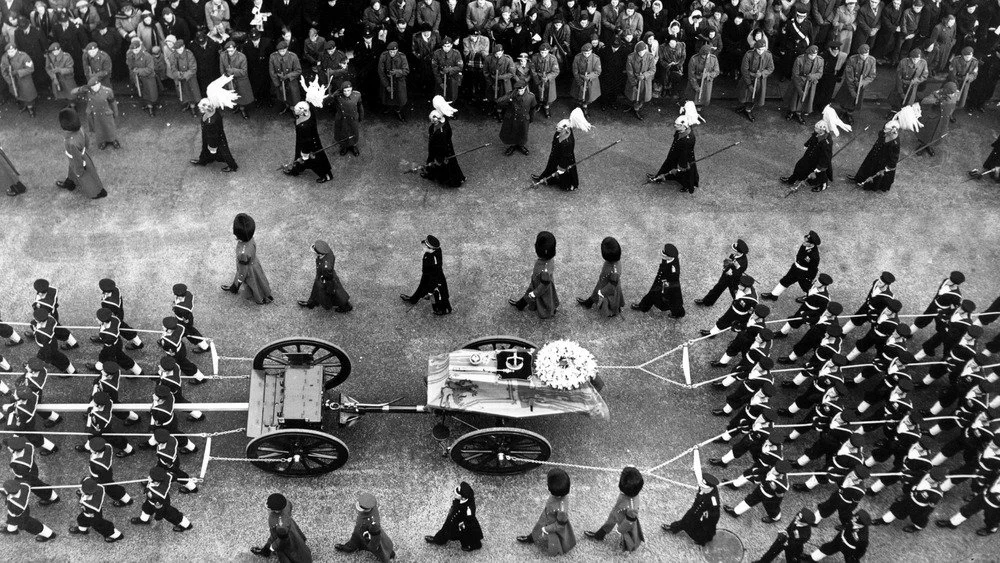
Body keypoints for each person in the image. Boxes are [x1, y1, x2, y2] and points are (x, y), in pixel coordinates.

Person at [517, 468, 576, 555]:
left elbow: (560, 525)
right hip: (546, 517)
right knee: (538, 527)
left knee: (555, 541)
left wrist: (546, 528)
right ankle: (531, 538)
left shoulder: (562, 509)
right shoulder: (559, 493)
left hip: (553, 525)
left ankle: (555, 551)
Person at [585, 467, 644, 551]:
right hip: (617, 513)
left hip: (623, 520)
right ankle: (599, 535)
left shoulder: (632, 506)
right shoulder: (630, 492)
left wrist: (620, 530)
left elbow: (629, 522)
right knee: (608, 523)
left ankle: (628, 546)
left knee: (627, 535)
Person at [647, 103, 702, 193]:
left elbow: (685, 154)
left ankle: (687, 186)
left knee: (684, 172)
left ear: (684, 126)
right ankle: (659, 177)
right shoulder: (681, 131)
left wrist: (682, 166)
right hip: (675, 152)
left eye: (677, 125)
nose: (675, 126)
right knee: (668, 164)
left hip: (684, 158)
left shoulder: (688, 139)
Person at [532, 107, 590, 191]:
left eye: (559, 129)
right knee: (551, 167)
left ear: (565, 129)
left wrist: (561, 168)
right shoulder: (563, 130)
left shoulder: (568, 142)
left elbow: (566, 156)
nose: (557, 130)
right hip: (556, 153)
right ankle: (546, 179)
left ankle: (568, 185)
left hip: (564, 158)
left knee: (564, 173)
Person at [55, 107, 107, 199]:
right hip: (83, 155)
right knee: (72, 170)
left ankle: (95, 193)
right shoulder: (80, 129)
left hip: (78, 160)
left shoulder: (71, 142)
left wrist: (79, 171)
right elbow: (86, 139)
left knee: (86, 178)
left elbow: (77, 159)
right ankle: (70, 182)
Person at [190, 76, 239, 172]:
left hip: (215, 136)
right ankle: (204, 160)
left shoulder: (211, 121)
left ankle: (232, 166)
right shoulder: (213, 113)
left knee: (223, 151)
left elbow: (212, 137)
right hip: (211, 134)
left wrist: (212, 146)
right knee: (205, 148)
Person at [222, 213, 273, 305]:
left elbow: (242, 272)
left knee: (254, 284)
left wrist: (238, 282)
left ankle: (260, 299)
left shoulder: (243, 253)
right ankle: (265, 294)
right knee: (260, 280)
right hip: (255, 265)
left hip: (248, 270)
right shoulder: (250, 239)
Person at [509, 230, 559, 319]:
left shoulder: (545, 271)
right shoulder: (548, 260)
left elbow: (543, 287)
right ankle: (520, 304)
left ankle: (549, 311)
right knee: (531, 296)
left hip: (539, 287)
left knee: (544, 301)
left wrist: (534, 294)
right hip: (536, 282)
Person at [334, 493, 395, 562]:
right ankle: (349, 547)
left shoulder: (373, 523)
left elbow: (375, 539)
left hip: (369, 536)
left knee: (381, 551)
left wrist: (372, 547)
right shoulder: (371, 507)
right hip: (360, 530)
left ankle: (388, 556)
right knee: (355, 540)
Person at [663, 473, 720, 546]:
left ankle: (702, 541)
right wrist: (700, 495)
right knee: (685, 519)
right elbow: (699, 496)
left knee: (704, 530)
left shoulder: (713, 500)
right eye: (701, 486)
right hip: (696, 509)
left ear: (711, 488)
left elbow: (715, 514)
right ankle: (674, 527)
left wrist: (707, 516)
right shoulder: (704, 488)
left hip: (705, 516)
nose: (701, 488)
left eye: (703, 488)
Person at [401, 235, 452, 315]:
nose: (423, 247)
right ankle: (413, 299)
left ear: (431, 249)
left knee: (440, 296)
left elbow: (435, 276)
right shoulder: (434, 251)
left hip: (435, 280)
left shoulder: (434, 262)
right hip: (427, 275)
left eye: (425, 246)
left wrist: (430, 290)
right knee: (421, 287)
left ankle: (445, 309)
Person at [131, 466, 193, 532]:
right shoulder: (166, 476)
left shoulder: (156, 495)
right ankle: (144, 520)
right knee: (146, 508)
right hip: (151, 501)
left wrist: (157, 518)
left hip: (161, 504)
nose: (148, 477)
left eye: (150, 477)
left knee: (173, 516)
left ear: (156, 482)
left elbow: (159, 510)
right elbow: (173, 477)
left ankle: (187, 525)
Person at [425, 482, 483, 551]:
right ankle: (439, 540)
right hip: (453, 519)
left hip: (461, 524)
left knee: (468, 535)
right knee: (445, 529)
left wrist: (462, 525)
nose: (455, 494)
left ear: (463, 498)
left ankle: (473, 546)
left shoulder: (468, 509)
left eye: (457, 494)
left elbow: (469, 520)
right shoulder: (463, 499)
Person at [285, 100, 333, 183]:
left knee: (312, 162)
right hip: (314, 140)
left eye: (296, 111)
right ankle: (297, 170)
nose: (294, 111)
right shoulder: (310, 112)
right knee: (317, 158)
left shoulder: (304, 126)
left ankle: (324, 176)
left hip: (308, 146)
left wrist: (305, 154)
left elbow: (306, 142)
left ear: (302, 112)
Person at [632, 243, 685, 317]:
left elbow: (672, 282)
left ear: (669, 257)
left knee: (672, 301)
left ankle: (678, 313)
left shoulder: (674, 269)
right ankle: (643, 306)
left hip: (667, 286)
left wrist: (663, 290)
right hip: (661, 282)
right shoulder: (669, 259)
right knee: (651, 295)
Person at [422, 96, 465, 188]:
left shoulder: (442, 132)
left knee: (442, 163)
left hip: (440, 149)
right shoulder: (442, 123)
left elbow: (442, 147)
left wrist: (440, 159)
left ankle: (449, 180)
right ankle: (430, 173)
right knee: (433, 160)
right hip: (438, 145)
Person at [298, 240, 352, 312]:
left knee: (333, 292)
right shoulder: (328, 252)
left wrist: (325, 284)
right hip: (325, 275)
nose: (313, 253)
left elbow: (328, 277)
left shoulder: (326, 267)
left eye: (314, 252)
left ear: (320, 254)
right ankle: (311, 303)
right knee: (321, 289)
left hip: (326, 279)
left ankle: (346, 307)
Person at [251, 493, 308, 558]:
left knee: (284, 546)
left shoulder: (277, 523)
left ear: (277, 511)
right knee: (298, 538)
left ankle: (267, 552)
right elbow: (289, 504)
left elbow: (279, 539)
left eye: (269, 508)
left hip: (283, 534)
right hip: (291, 526)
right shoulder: (286, 504)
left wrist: (270, 548)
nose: (267, 508)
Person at [577, 237, 623, 317]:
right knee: (596, 292)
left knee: (610, 301)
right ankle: (589, 302)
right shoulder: (613, 260)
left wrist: (602, 292)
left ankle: (613, 311)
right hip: (603, 282)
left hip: (608, 287)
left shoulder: (615, 271)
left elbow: (612, 286)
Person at [696, 239, 749, 307]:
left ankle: (740, 306)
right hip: (726, 277)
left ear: (739, 252)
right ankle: (707, 301)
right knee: (717, 289)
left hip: (733, 280)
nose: (734, 252)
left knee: (735, 294)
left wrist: (732, 272)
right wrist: (726, 268)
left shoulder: (743, 262)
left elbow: (739, 273)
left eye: (735, 251)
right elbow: (729, 262)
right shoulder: (736, 255)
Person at [850, 119, 900, 191]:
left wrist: (889, 167)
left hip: (882, 161)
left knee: (875, 173)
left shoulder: (895, 143)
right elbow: (881, 135)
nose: (884, 132)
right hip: (875, 153)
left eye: (886, 131)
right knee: (866, 166)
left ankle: (868, 184)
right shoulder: (885, 130)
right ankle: (859, 178)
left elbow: (894, 158)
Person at [69, 477, 124, 543]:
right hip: (95, 511)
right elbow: (87, 480)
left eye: (82, 489)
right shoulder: (99, 488)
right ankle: (82, 530)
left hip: (93, 515)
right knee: (81, 519)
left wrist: (81, 496)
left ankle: (117, 535)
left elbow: (83, 507)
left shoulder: (88, 504)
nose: (80, 489)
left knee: (101, 527)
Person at [72, 76, 120, 150]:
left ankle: (113, 140)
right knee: (99, 129)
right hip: (95, 114)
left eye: (95, 86)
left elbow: (113, 102)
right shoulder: (88, 91)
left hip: (106, 113)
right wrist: (80, 89)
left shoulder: (107, 91)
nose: (94, 88)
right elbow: (72, 92)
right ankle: (103, 141)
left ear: (99, 84)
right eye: (92, 87)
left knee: (110, 128)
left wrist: (115, 112)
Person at [753, 508, 817, 563]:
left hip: (792, 547)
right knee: (771, 552)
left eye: (798, 518)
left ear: (805, 523)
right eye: (797, 516)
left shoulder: (804, 533)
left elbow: (797, 543)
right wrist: (785, 531)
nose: (796, 518)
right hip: (784, 538)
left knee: (792, 559)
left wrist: (787, 542)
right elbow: (790, 526)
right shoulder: (798, 518)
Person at [834, 43, 875, 123]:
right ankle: (843, 111)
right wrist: (852, 89)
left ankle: (849, 114)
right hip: (850, 83)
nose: (864, 56)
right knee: (845, 98)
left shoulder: (872, 60)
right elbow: (849, 76)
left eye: (866, 54)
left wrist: (862, 83)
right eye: (862, 54)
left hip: (861, 86)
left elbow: (872, 75)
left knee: (855, 101)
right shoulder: (852, 59)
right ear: (859, 53)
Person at [915, 81, 958, 156]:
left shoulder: (953, 95)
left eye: (952, 93)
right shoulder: (937, 94)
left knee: (936, 134)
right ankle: (922, 145)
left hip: (943, 120)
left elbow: (952, 106)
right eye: (950, 92)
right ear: (945, 90)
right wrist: (935, 101)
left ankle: (929, 145)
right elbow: (924, 101)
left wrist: (949, 114)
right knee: (927, 133)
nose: (951, 95)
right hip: (932, 119)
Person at [737, 40, 774, 122]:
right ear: (755, 48)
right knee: (745, 94)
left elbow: (771, 68)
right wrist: (749, 84)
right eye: (759, 49)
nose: (761, 51)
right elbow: (744, 69)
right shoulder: (748, 54)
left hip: (760, 81)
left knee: (755, 96)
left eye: (763, 49)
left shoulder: (768, 55)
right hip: (748, 78)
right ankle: (745, 106)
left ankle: (748, 110)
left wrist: (762, 73)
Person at [498, 78, 537, 156]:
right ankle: (512, 145)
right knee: (512, 132)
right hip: (512, 118)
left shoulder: (531, 97)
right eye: (518, 90)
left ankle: (521, 146)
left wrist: (531, 119)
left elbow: (533, 108)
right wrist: (509, 97)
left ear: (525, 88)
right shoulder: (511, 94)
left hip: (523, 118)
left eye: (522, 90)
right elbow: (499, 102)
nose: (520, 92)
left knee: (522, 133)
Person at [219, 40, 254, 119]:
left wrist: (233, 71)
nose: (230, 53)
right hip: (229, 80)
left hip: (240, 80)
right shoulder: (222, 55)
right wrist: (225, 77)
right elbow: (221, 68)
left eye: (231, 51)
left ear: (235, 49)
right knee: (232, 95)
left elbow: (244, 72)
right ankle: (236, 106)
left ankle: (243, 109)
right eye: (228, 51)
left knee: (241, 96)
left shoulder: (242, 57)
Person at [1, 43, 38, 117]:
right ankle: (24, 105)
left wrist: (18, 72)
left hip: (24, 80)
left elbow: (30, 69)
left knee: (28, 95)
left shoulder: (24, 56)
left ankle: (31, 109)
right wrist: (10, 81)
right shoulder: (4, 58)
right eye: (9, 52)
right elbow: (4, 71)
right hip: (13, 81)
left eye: (12, 51)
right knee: (18, 93)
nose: (10, 53)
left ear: (16, 50)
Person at [126, 38, 160, 116]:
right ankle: (147, 104)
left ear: (140, 47)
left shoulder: (147, 56)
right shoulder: (130, 55)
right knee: (141, 91)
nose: (135, 51)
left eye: (137, 49)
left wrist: (138, 71)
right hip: (138, 78)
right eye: (133, 50)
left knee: (151, 93)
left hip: (148, 78)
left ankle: (151, 107)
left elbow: (150, 69)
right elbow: (130, 65)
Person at [378, 42, 409, 120]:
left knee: (400, 98)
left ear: (397, 50)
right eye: (390, 52)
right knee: (387, 96)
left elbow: (406, 70)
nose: (392, 53)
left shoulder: (402, 57)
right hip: (387, 80)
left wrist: (396, 72)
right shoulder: (383, 56)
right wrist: (387, 85)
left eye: (394, 52)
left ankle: (398, 110)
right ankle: (388, 107)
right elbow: (381, 72)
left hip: (399, 81)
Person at [269, 40, 302, 114]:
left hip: (291, 81)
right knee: (281, 96)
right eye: (280, 51)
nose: (282, 52)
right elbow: (272, 72)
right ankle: (285, 106)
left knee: (293, 97)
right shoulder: (273, 56)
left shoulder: (293, 56)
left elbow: (298, 70)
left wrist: (287, 76)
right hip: (279, 81)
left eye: (284, 50)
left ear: (287, 49)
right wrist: (277, 83)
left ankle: (294, 109)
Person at [624, 41, 655, 120]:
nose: (641, 53)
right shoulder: (630, 57)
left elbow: (652, 69)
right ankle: (634, 106)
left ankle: (637, 108)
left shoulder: (650, 57)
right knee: (633, 94)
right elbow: (629, 71)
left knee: (643, 95)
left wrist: (644, 75)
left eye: (643, 51)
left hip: (645, 81)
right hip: (634, 79)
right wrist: (634, 83)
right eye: (639, 52)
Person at [331, 81, 363, 157]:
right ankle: (344, 146)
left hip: (353, 118)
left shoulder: (357, 95)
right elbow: (330, 99)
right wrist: (337, 92)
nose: (346, 92)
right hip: (342, 119)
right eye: (344, 91)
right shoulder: (338, 96)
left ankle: (353, 146)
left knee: (353, 132)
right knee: (343, 133)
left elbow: (360, 106)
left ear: (352, 89)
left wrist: (361, 116)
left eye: (348, 90)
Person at [530, 43, 559, 118]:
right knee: (537, 92)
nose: (543, 54)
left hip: (548, 80)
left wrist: (547, 77)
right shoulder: (535, 57)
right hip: (538, 78)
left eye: (545, 52)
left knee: (548, 95)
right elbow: (532, 70)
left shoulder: (553, 58)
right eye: (542, 52)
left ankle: (546, 107)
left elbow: (556, 71)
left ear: (549, 51)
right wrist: (537, 80)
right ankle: (538, 104)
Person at [46, 42, 78, 108]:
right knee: (62, 93)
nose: (54, 53)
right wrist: (53, 77)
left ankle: (73, 106)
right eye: (53, 51)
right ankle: (68, 104)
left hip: (67, 78)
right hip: (57, 79)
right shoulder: (49, 56)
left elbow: (70, 69)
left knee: (71, 93)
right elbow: (48, 68)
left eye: (56, 51)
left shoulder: (66, 56)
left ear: (60, 49)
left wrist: (60, 70)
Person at [571, 42, 601, 115]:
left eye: (588, 53)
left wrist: (589, 77)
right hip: (580, 78)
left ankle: (585, 106)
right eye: (585, 53)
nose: (586, 55)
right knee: (578, 93)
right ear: (582, 52)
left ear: (591, 51)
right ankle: (578, 105)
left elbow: (597, 71)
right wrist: (579, 80)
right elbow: (575, 70)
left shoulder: (596, 58)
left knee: (589, 95)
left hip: (590, 80)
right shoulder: (577, 58)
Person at [431, 37, 463, 102]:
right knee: (439, 98)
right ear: (442, 46)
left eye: (448, 46)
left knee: (452, 97)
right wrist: (440, 82)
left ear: (451, 45)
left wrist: (449, 69)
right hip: (440, 77)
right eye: (444, 46)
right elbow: (435, 69)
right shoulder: (437, 53)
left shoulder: (456, 53)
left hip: (453, 77)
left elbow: (460, 67)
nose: (446, 48)